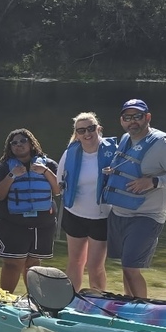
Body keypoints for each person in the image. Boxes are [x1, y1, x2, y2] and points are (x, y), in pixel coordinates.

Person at [102, 99, 166, 298]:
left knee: (131, 268)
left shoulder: (162, 143)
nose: (132, 121)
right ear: (122, 120)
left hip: (147, 216)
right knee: (125, 267)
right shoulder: (126, 138)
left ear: (148, 117)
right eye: (128, 117)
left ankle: (143, 311)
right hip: (119, 213)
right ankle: (129, 306)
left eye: (138, 116)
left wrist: (155, 182)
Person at [0, 128, 61, 293]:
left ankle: (35, 301)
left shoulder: (49, 165)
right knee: (12, 263)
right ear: (10, 147)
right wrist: (12, 175)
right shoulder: (3, 168)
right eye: (14, 143)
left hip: (42, 224)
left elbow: (58, 190)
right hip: (12, 224)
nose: (18, 145)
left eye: (23, 141)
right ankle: (5, 301)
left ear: (31, 143)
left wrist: (45, 172)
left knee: (33, 263)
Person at [57, 113, 115, 291]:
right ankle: (71, 302)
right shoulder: (70, 153)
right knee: (75, 262)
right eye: (81, 130)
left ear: (99, 129)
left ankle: (97, 305)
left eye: (91, 128)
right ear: (77, 133)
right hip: (75, 214)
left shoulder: (114, 153)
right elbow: (60, 182)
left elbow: (131, 177)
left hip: (102, 217)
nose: (87, 134)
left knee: (95, 266)